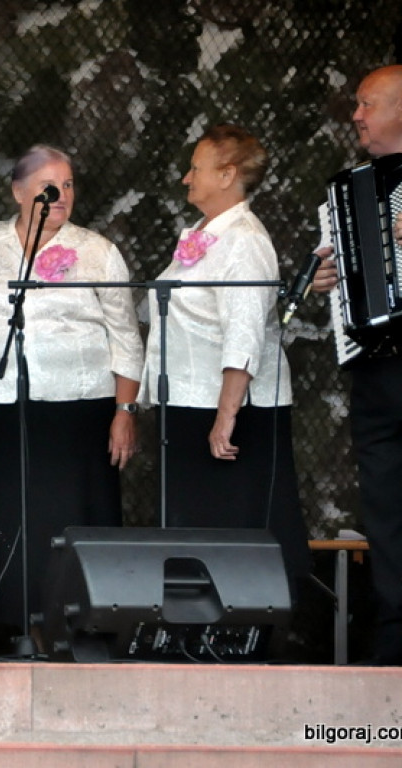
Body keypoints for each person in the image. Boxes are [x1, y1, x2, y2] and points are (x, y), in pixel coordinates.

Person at [0, 145, 143, 646]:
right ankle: (24, 630)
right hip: (7, 403)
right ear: (19, 192)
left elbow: (126, 335)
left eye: (67, 185)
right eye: (48, 185)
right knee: (18, 518)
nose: (60, 195)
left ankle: (87, 629)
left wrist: (124, 410)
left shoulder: (97, 250)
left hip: (82, 407)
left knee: (81, 515)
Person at [140, 124, 309, 593]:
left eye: (196, 168)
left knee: (230, 524)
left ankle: (235, 630)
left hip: (228, 408)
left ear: (228, 174)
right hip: (190, 399)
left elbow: (244, 331)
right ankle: (195, 626)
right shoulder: (203, 236)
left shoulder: (244, 241)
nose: (185, 178)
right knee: (195, 524)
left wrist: (226, 414)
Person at [312, 64, 402, 664]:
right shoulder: (357, 186)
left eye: (366, 103)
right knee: (386, 508)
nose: (356, 115)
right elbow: (356, 265)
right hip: (377, 369)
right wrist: (333, 279)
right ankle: (396, 634)